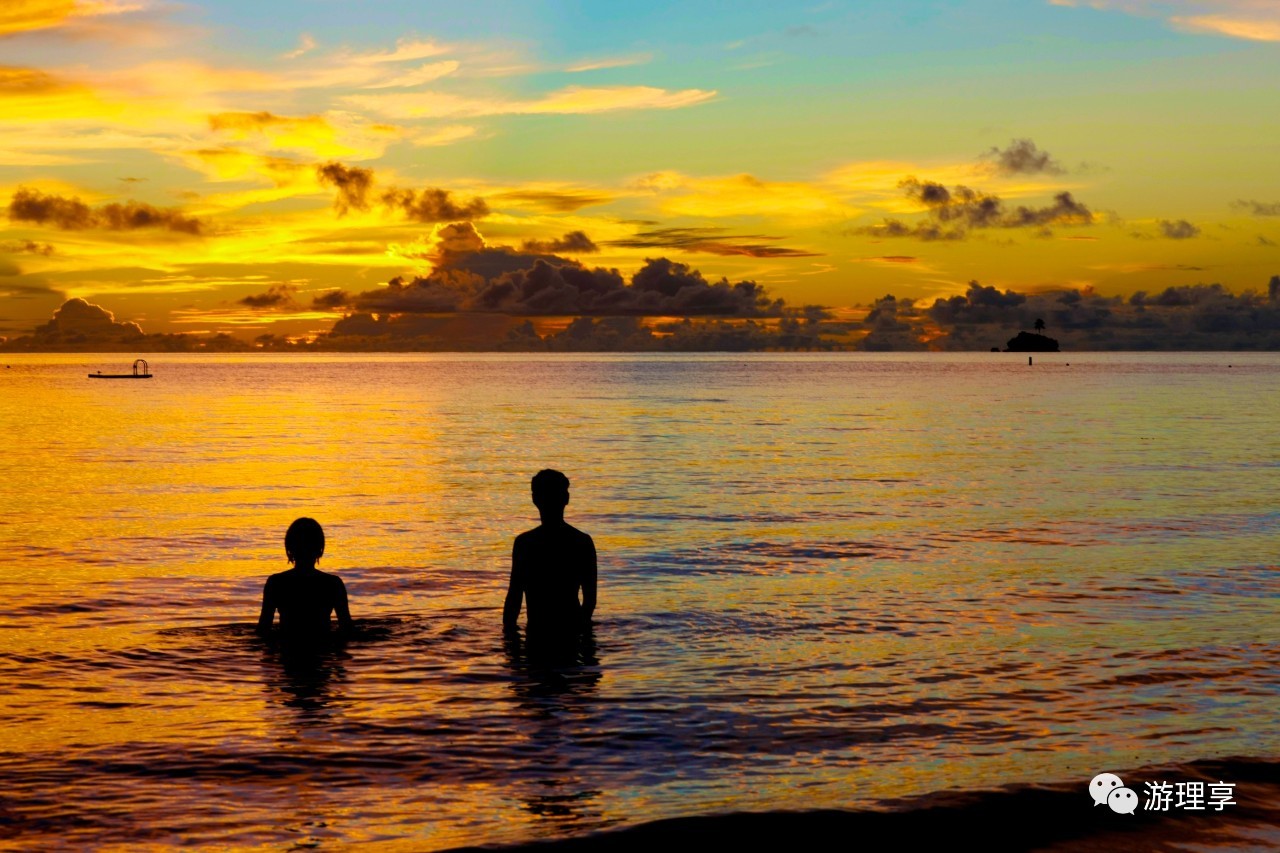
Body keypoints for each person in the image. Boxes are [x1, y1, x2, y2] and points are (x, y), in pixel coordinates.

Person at [503, 469, 597, 642]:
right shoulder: (582, 542)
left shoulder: (524, 543)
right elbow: (589, 601)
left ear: (535, 499)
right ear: (566, 499)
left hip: (537, 634)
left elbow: (514, 600)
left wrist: (510, 644)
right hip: (572, 634)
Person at [257, 517, 353, 638]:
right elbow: (347, 629)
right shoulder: (333, 584)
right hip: (322, 650)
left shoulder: (276, 583)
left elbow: (263, 630)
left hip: (288, 649)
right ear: (320, 549)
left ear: (290, 549)